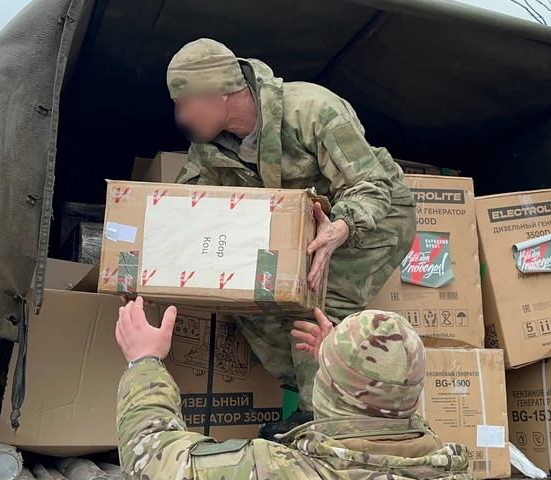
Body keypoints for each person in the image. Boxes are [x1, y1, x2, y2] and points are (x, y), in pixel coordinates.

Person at [166, 38, 417, 420]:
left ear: (220, 96)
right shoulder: (210, 147)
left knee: (316, 310)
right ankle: (308, 393)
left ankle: (322, 424)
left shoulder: (313, 110)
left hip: (372, 220)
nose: (179, 117)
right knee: (252, 302)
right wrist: (153, 275)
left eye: (184, 104)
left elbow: (372, 185)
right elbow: (185, 209)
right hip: (296, 233)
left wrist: (342, 227)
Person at [115, 297, 483, 480]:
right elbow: (393, 421)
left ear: (327, 391)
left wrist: (144, 361)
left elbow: (151, 458)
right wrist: (346, 365)